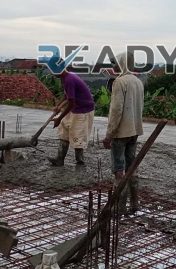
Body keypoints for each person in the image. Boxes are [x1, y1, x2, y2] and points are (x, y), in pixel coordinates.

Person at [103, 52, 144, 215]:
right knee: (132, 167)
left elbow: (116, 111)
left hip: (120, 133)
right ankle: (135, 205)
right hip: (134, 131)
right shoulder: (138, 82)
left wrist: (109, 135)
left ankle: (119, 208)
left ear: (121, 64)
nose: (113, 67)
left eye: (115, 63)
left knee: (118, 169)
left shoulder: (119, 82)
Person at [48, 67, 95, 167]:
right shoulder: (64, 78)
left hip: (83, 110)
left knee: (77, 134)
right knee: (64, 130)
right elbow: (67, 94)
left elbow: (71, 104)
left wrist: (59, 119)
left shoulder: (69, 79)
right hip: (75, 107)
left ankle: (80, 161)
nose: (52, 73)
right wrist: (58, 105)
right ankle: (59, 159)